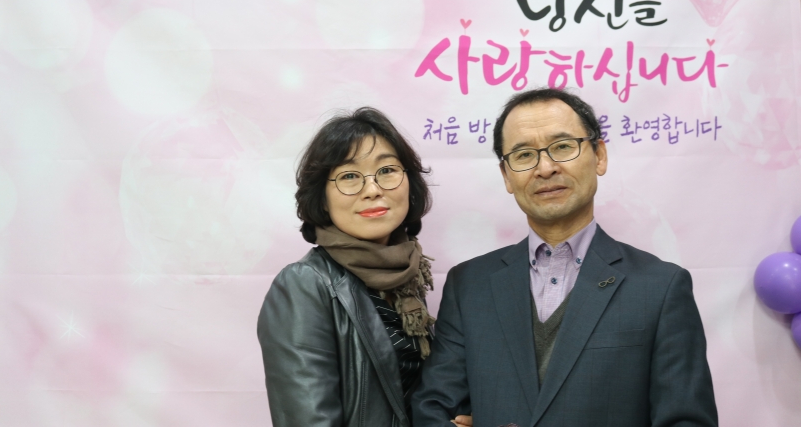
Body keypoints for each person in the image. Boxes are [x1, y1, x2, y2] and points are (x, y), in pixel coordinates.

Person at [412, 88, 717, 427]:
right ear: (506, 175)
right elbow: (433, 408)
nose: (545, 168)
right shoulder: (469, 284)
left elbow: (686, 420)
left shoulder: (660, 287)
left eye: (562, 147)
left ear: (599, 156)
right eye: (524, 155)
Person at [258, 108, 472, 427]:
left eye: (387, 170)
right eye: (349, 176)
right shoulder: (304, 284)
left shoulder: (406, 279)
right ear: (322, 197)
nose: (372, 189)